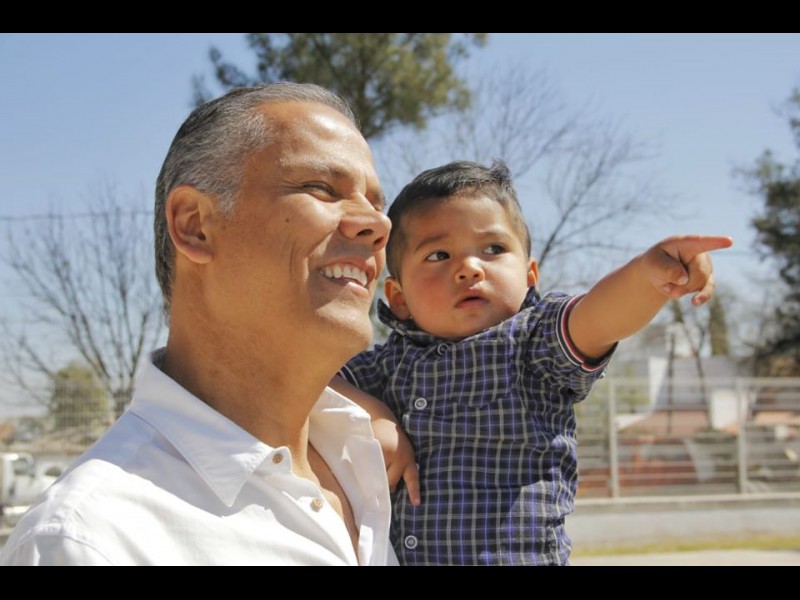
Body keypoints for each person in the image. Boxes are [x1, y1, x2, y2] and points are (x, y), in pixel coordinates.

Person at [0, 82, 405, 566]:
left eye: (376, 204)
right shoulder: (87, 541)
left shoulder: (386, 458)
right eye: (321, 188)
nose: (378, 225)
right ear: (194, 224)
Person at [337, 159, 733, 566]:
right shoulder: (383, 367)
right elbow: (313, 379)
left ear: (530, 276)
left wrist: (648, 277)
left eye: (493, 249)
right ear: (399, 298)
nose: (469, 268)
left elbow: (599, 317)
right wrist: (376, 413)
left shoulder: (533, 343)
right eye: (439, 254)